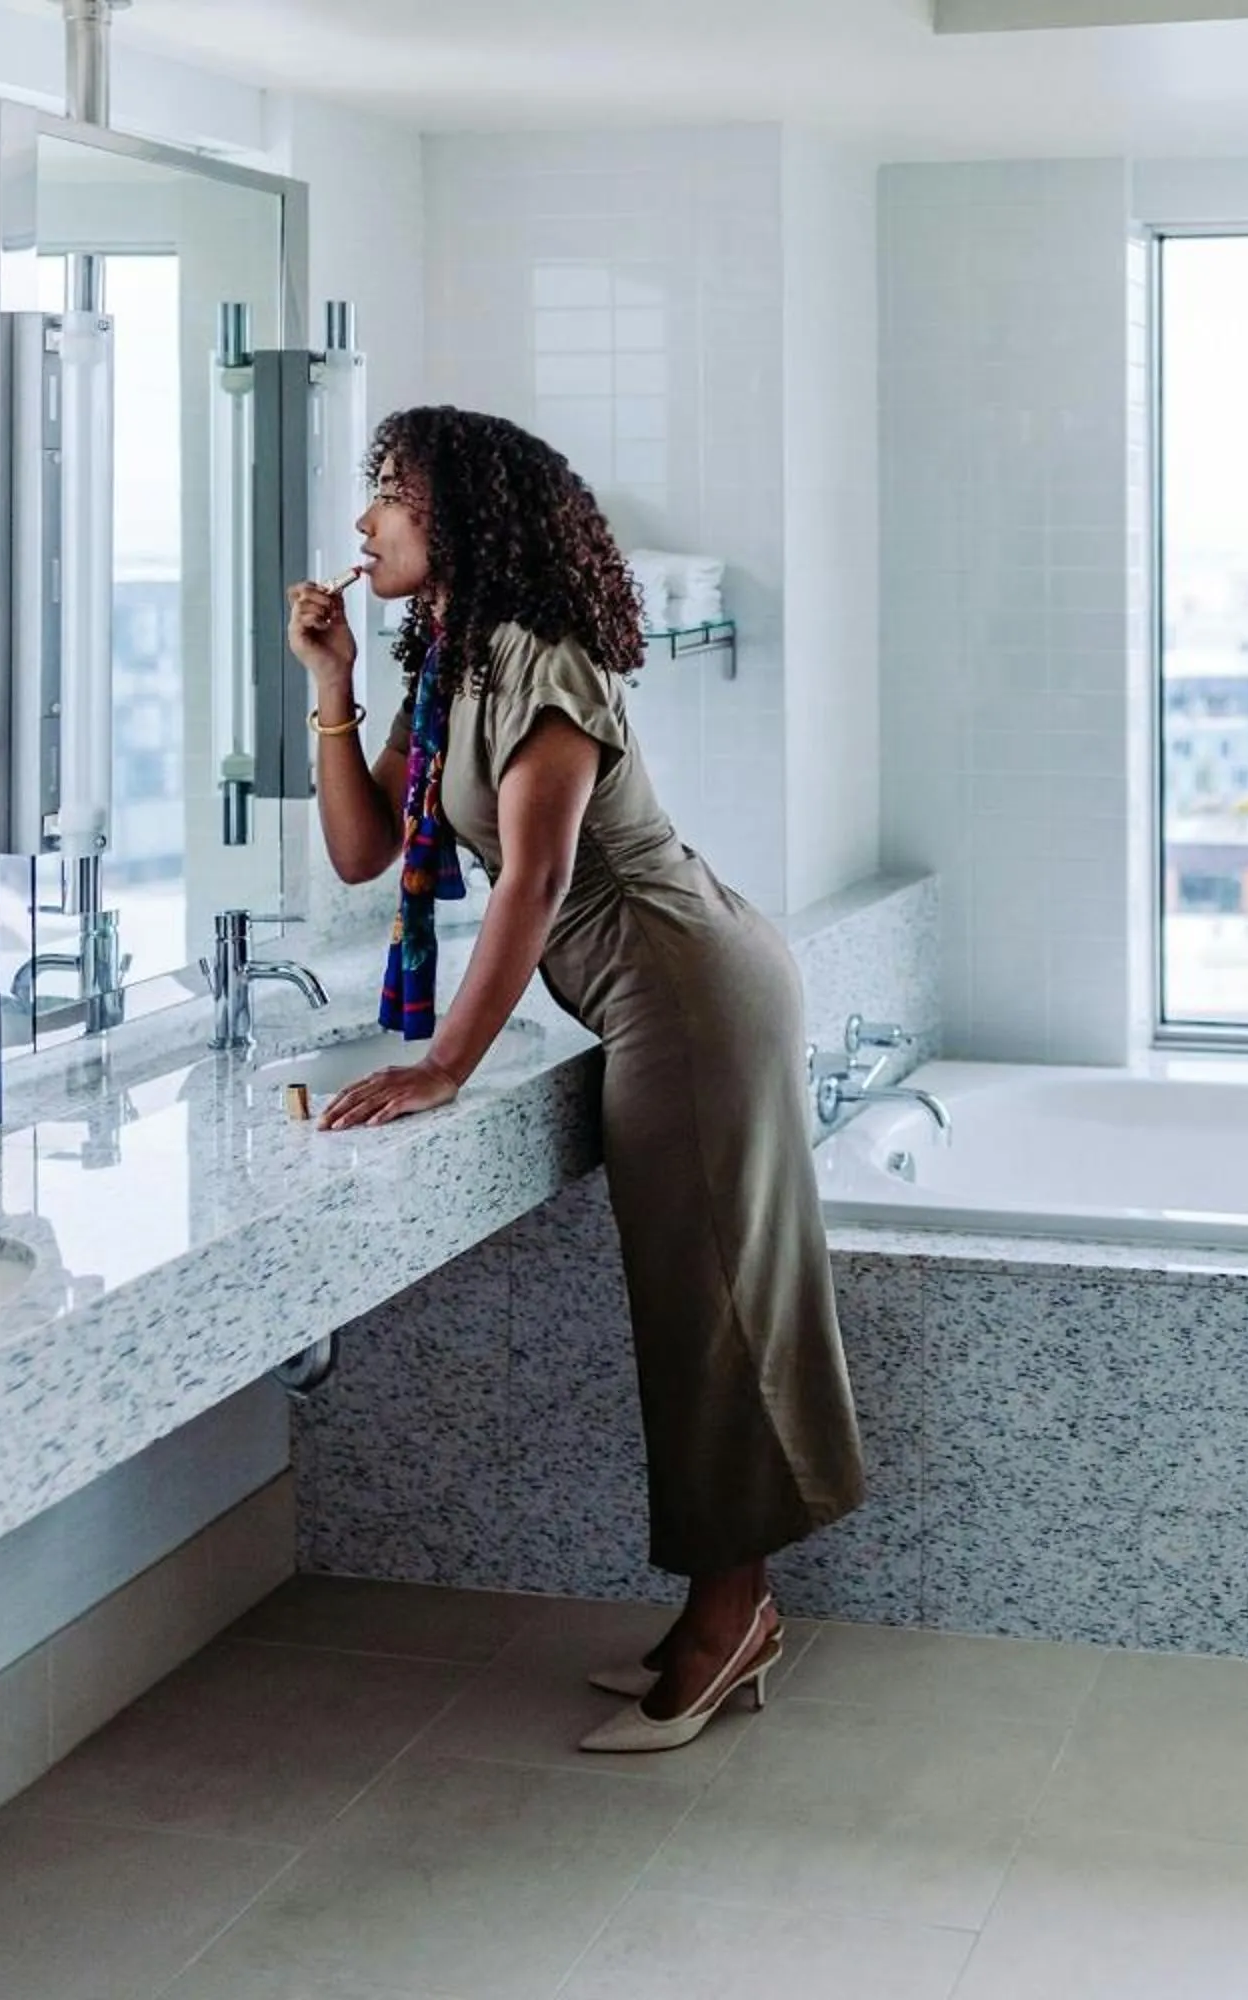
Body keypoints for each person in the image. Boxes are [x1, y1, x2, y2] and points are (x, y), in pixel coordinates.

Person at [287, 407, 864, 1754]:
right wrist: (329, 682)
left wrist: (444, 1068)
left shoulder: (545, 662)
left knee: (706, 1307)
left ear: (464, 519)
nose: (369, 520)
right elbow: (368, 853)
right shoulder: (451, 657)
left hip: (687, 988)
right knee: (693, 1299)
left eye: (392, 495)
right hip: (650, 990)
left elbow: (534, 884)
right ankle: (724, 1611)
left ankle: (735, 1621)